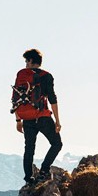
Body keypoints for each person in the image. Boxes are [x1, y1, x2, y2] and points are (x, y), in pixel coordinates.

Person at [13, 48, 62, 184]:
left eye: (26, 61)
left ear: (31, 61)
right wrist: (57, 121)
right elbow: (52, 99)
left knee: (29, 148)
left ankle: (29, 178)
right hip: (43, 117)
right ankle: (44, 171)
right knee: (57, 144)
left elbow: (16, 98)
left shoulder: (21, 75)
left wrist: (18, 120)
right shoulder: (46, 76)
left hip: (27, 119)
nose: (25, 64)